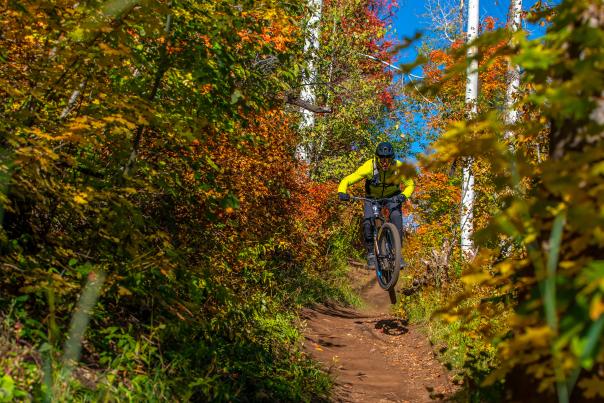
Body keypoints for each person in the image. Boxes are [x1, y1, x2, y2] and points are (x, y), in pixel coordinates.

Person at [337, 142, 414, 269]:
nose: (384, 162)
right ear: (377, 157)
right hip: (372, 198)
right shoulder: (369, 166)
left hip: (393, 197)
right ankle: (371, 254)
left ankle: (397, 254)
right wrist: (342, 191)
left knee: (396, 219)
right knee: (368, 222)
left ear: (392, 159)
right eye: (381, 159)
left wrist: (403, 195)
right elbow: (348, 179)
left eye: (387, 159)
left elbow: (410, 184)